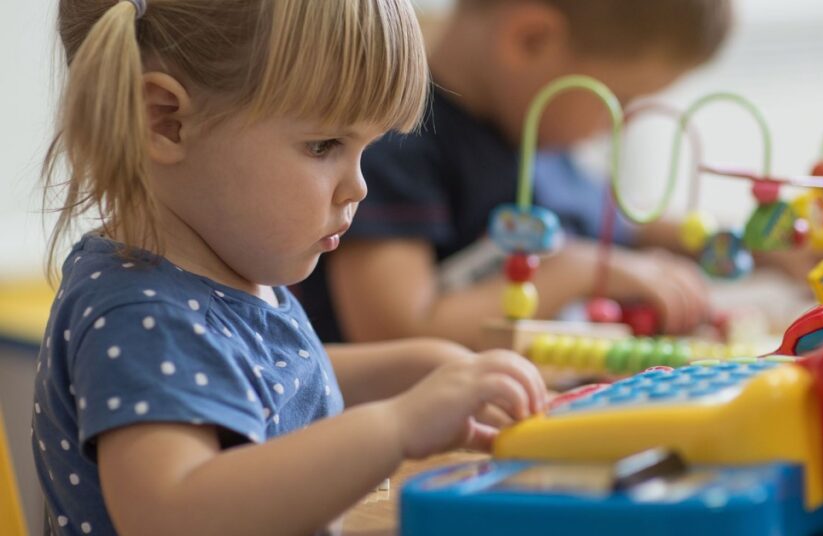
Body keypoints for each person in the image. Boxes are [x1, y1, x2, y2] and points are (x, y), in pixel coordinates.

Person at [32, 1, 544, 534]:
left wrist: (426, 365)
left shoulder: (209, 276)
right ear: (166, 120)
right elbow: (174, 511)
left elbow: (265, 381)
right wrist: (395, 427)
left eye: (367, 149)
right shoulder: (140, 313)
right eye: (324, 145)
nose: (359, 187)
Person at [298, 0, 733, 348]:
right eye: (620, 97)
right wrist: (580, 272)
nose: (624, 123)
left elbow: (627, 227)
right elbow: (397, 330)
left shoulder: (530, 129)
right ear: (531, 41)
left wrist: (753, 245)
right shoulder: (392, 138)